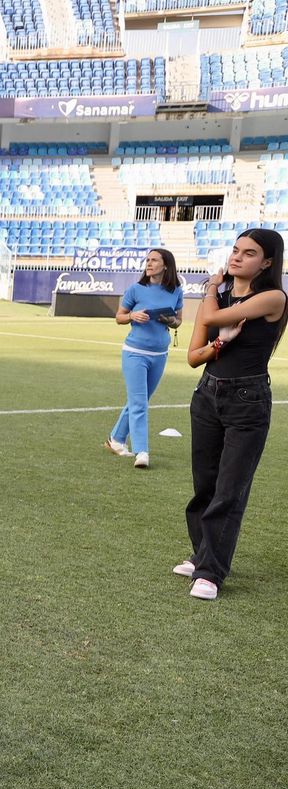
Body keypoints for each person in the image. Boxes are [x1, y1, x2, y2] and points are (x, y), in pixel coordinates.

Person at [177, 228, 286, 601]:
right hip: (207, 394)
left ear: (267, 262)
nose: (237, 257)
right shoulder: (220, 298)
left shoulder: (273, 297)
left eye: (249, 253)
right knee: (204, 484)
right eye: (235, 250)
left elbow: (214, 314)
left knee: (230, 489)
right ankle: (202, 554)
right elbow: (193, 357)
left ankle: (211, 572)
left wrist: (209, 291)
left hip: (247, 400)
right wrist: (221, 342)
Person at [106, 248, 184, 469]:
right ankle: (142, 451)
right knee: (140, 404)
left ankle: (116, 439)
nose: (149, 263)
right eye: (147, 260)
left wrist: (169, 320)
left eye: (154, 260)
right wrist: (132, 315)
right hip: (135, 353)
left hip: (160, 355)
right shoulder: (135, 289)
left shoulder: (176, 290)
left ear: (166, 265)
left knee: (139, 401)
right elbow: (119, 317)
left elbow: (178, 321)